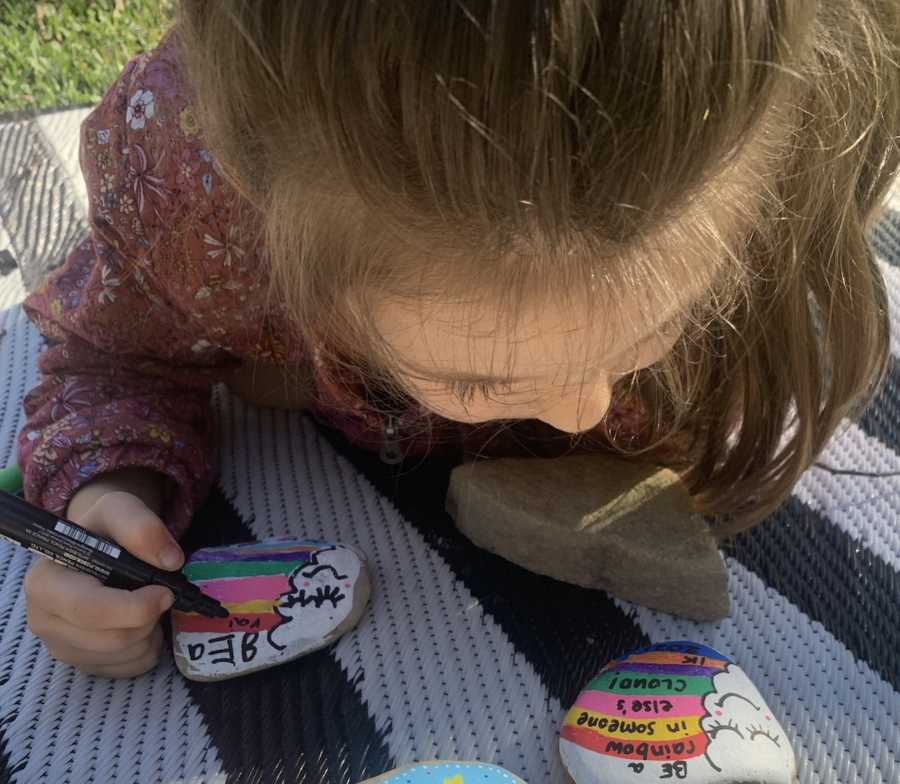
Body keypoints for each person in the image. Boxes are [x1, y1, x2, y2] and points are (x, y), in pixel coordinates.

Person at [19, 1, 900, 677]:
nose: (577, 411)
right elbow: (113, 357)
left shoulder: (803, 140)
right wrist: (108, 492)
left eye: (660, 327)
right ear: (264, 224)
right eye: (477, 378)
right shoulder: (191, 207)